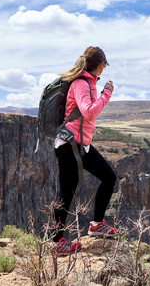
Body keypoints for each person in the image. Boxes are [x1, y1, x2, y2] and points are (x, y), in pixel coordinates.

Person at [52, 46, 119, 257]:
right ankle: (57, 243)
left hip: (80, 146)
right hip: (70, 145)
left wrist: (100, 92)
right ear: (100, 65)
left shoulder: (87, 83)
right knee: (66, 194)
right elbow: (89, 113)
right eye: (103, 66)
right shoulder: (81, 83)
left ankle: (97, 224)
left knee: (108, 177)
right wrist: (106, 93)